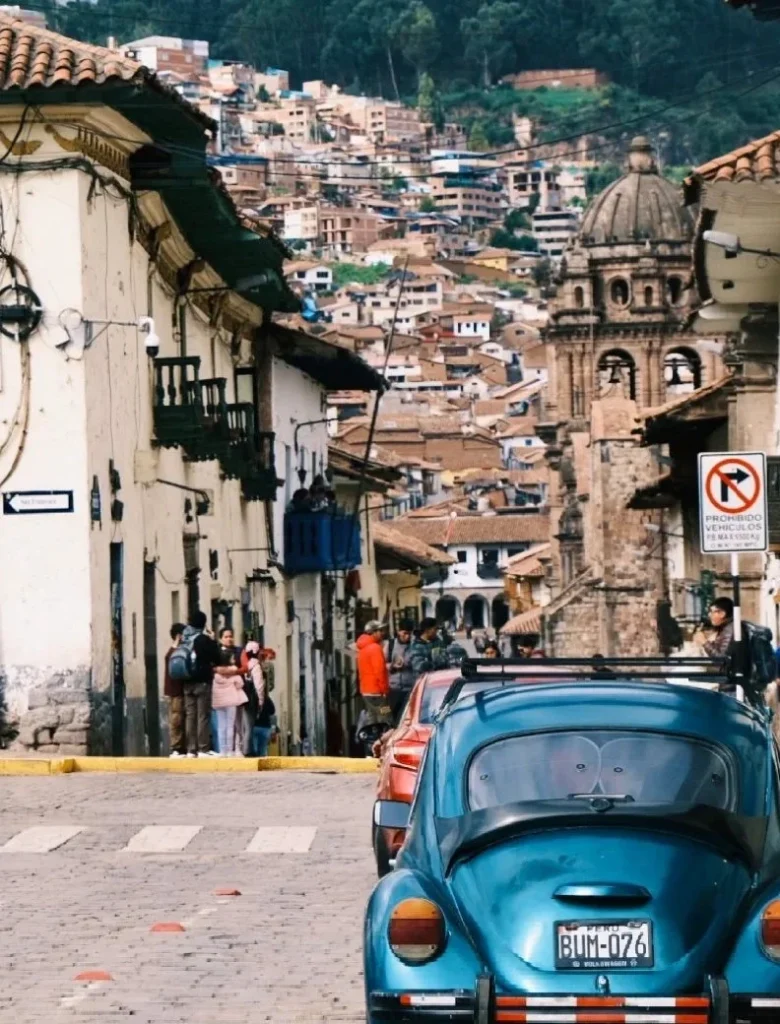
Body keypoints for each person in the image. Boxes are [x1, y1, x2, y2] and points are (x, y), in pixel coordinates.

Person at [182, 611, 236, 758]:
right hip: (202, 682)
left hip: (187, 681)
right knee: (202, 716)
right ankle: (203, 748)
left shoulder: (185, 639)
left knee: (190, 716)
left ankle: (190, 750)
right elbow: (218, 658)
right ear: (203, 623)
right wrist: (212, 640)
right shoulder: (203, 640)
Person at [212, 639, 248, 757]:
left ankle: (223, 751)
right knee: (230, 726)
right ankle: (230, 750)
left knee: (221, 727)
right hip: (231, 701)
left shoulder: (216, 674)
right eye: (232, 658)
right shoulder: (233, 671)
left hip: (218, 702)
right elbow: (240, 684)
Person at [357, 620, 392, 737]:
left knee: (372, 719)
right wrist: (384, 690)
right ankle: (384, 741)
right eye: (380, 631)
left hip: (366, 691)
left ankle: (371, 742)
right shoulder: (375, 648)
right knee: (385, 716)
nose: (382, 633)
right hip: (377, 691)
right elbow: (380, 672)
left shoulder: (363, 648)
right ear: (373, 632)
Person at [385, 620, 416, 722]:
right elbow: (381, 664)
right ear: (398, 631)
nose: (407, 636)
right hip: (393, 689)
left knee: (408, 718)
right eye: (404, 633)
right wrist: (392, 666)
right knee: (388, 715)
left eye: (409, 633)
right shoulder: (389, 645)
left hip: (411, 689)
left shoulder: (415, 645)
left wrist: (407, 663)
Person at [164, 623, 186, 758]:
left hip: (180, 691)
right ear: (179, 636)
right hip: (175, 691)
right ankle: (176, 748)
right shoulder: (173, 652)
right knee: (176, 719)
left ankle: (181, 747)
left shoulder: (177, 651)